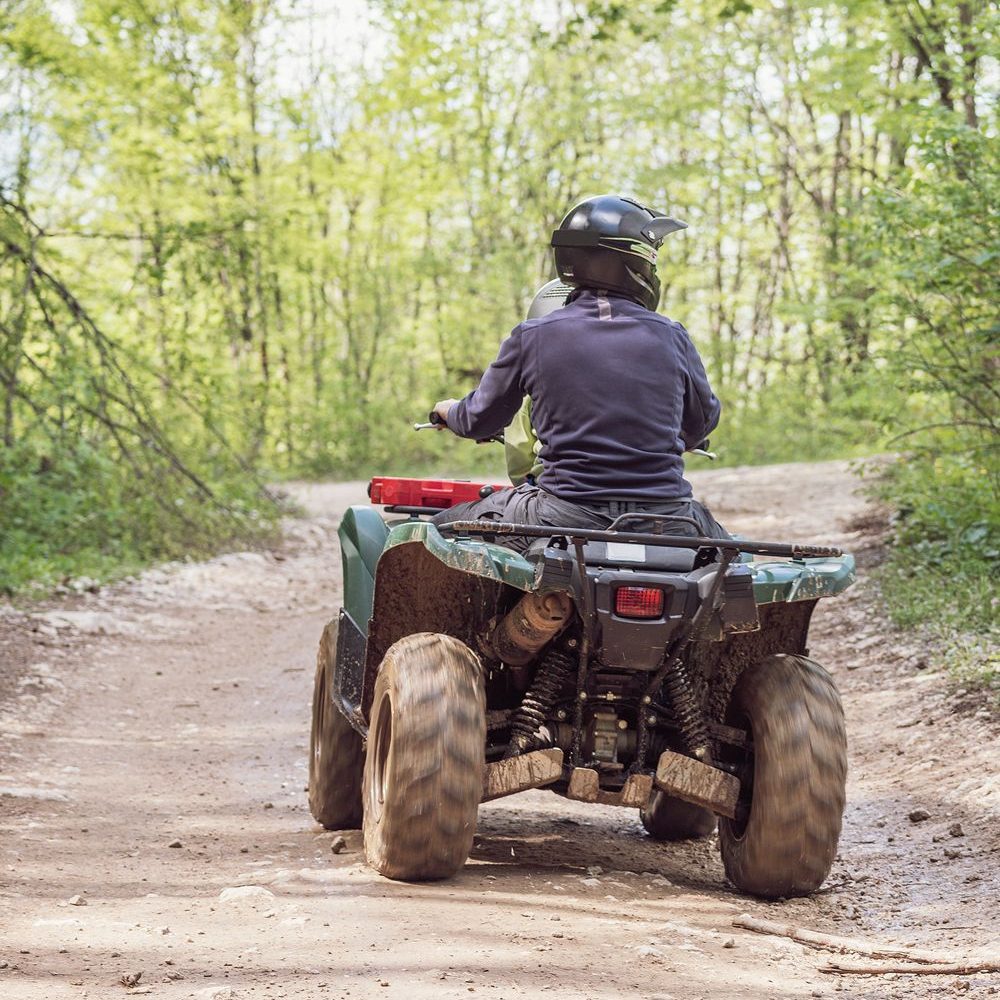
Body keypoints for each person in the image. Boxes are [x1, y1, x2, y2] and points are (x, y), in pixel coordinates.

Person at [431, 194, 727, 552]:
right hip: (668, 520)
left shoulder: (533, 335)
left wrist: (448, 410)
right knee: (732, 559)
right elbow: (700, 424)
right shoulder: (672, 336)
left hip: (561, 515)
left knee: (436, 533)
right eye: (651, 260)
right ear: (632, 262)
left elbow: (479, 418)